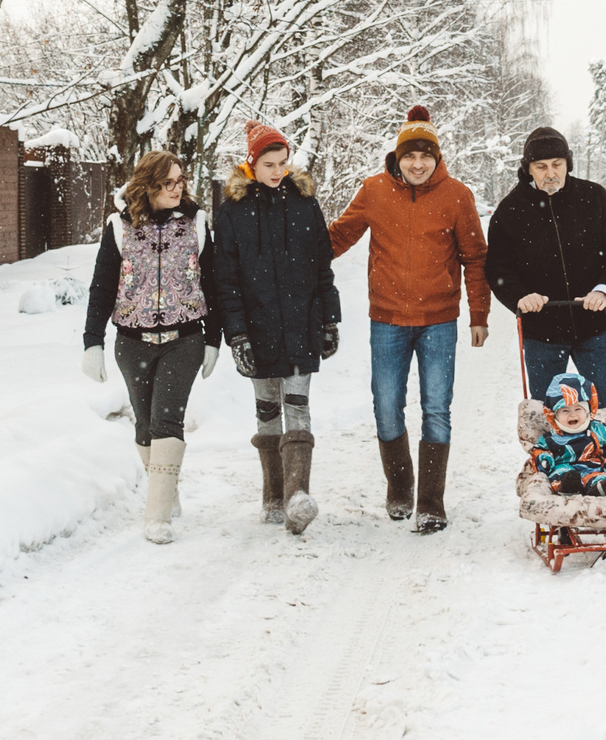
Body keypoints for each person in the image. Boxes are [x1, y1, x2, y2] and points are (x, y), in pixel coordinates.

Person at [329, 104, 491, 534]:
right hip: (388, 319)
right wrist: (292, 249)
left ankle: (431, 502)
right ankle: (400, 486)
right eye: (410, 156)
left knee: (437, 408)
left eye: (425, 156)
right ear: (397, 158)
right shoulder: (374, 190)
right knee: (386, 406)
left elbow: (475, 258)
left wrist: (478, 314)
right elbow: (339, 236)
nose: (417, 164)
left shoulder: (457, 195)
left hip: (439, 320)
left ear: (437, 158)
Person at [80, 150, 221, 543]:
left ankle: (156, 516)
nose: (177, 188)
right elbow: (101, 287)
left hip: (184, 340)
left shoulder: (196, 223)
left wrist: (214, 339)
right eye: (167, 182)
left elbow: (214, 285)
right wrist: (92, 342)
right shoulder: (119, 227)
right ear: (148, 185)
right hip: (132, 343)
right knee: (144, 426)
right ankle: (167, 491)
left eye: (180, 180)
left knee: (166, 421)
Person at [212, 120, 341, 535]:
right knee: (267, 409)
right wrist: (237, 335)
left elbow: (323, 269)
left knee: (298, 404)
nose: (277, 171)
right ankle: (272, 496)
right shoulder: (232, 212)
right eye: (269, 164)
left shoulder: (305, 204)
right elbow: (225, 281)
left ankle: (296, 495)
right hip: (257, 327)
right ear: (251, 164)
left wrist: (330, 319)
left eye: (283, 162)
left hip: (302, 323)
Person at [485, 125, 606, 412]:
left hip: (594, 325)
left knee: (604, 407)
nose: (550, 173)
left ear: (568, 164)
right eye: (541, 166)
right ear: (528, 169)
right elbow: (498, 269)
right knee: (548, 411)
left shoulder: (595, 197)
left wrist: (604, 290)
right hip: (541, 331)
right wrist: (520, 297)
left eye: (557, 164)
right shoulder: (509, 211)